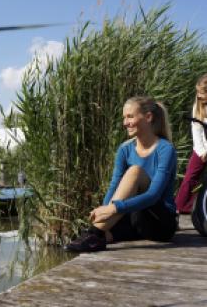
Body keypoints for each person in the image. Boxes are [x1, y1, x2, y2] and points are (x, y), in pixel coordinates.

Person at [65, 96, 178, 252]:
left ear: (148, 117)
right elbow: (114, 186)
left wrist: (113, 209)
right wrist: (105, 212)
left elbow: (153, 195)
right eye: (124, 118)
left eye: (130, 116)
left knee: (135, 171)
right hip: (135, 219)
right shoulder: (125, 149)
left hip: (160, 225)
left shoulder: (165, 149)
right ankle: (98, 234)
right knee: (108, 233)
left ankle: (94, 233)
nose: (125, 122)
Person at [175, 74, 207, 214]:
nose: (199, 96)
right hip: (200, 150)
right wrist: (202, 152)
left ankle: (201, 206)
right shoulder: (197, 107)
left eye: (202, 93)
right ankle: (180, 207)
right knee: (190, 178)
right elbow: (197, 133)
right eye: (198, 92)